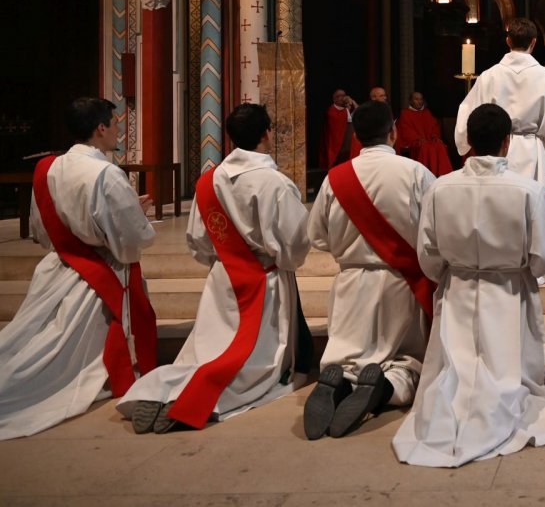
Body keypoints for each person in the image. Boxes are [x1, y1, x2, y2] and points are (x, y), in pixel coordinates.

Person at [393, 104, 545, 467]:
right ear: (507, 142)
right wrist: (523, 272)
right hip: (509, 290)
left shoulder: (441, 188)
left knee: (457, 367)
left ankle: (454, 411)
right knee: (508, 367)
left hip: (458, 287)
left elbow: (427, 251)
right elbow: (544, 254)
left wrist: (450, 274)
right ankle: (501, 406)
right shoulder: (528, 191)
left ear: (469, 142)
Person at [118, 104, 310, 433]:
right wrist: (282, 261)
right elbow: (293, 241)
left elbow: (197, 239)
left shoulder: (208, 181)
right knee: (255, 360)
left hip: (223, 278)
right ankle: (193, 399)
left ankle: (165, 389)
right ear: (266, 134)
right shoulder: (273, 183)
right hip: (262, 279)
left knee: (207, 348)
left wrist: (224, 260)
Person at [0, 98, 157, 440]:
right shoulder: (106, 173)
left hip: (59, 270)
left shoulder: (48, 169)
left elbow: (43, 230)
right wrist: (139, 215)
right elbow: (132, 239)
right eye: (115, 123)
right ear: (101, 128)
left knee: (33, 341)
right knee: (62, 358)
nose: (118, 130)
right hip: (100, 276)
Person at [304, 100, 436, 440]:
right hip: (401, 283)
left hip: (351, 282)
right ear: (393, 131)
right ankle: (383, 387)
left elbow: (316, 235)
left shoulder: (336, 178)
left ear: (357, 137)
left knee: (346, 353)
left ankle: (336, 378)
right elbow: (435, 229)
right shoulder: (415, 173)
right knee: (407, 361)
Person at [453, 18, 545, 187]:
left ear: (508, 40)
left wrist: (467, 143)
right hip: (532, 151)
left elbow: (469, 116)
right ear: (534, 42)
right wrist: (544, 144)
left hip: (496, 148)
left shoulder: (489, 76)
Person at [398, 91, 453, 176]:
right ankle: (425, 175)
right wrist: (417, 139)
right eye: (416, 99)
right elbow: (406, 130)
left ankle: (444, 175)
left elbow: (434, 127)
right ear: (410, 101)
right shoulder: (405, 113)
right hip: (416, 142)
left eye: (421, 99)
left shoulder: (427, 112)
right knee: (425, 147)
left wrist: (435, 136)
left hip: (428, 141)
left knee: (440, 145)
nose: (419, 101)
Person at [321, 88, 361, 170]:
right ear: (334, 99)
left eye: (343, 96)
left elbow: (360, 112)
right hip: (339, 146)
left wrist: (352, 101)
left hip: (349, 145)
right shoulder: (331, 111)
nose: (341, 98)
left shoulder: (347, 109)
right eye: (338, 96)